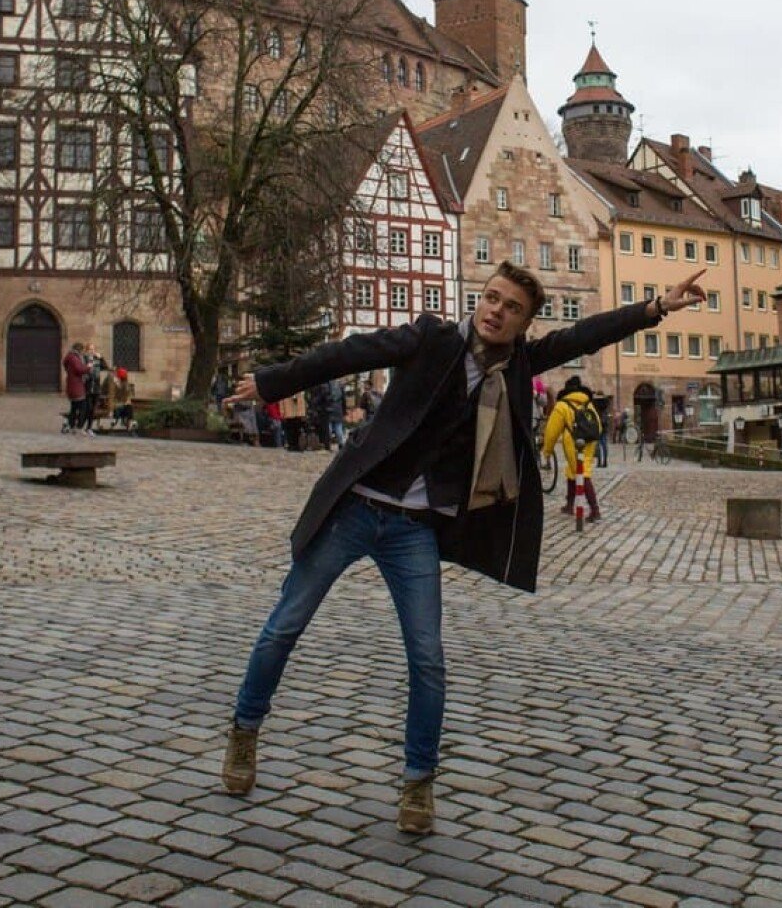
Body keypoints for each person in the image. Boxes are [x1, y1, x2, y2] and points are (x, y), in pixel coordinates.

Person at [221, 262, 706, 834]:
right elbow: (349, 354)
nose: (495, 311)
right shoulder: (433, 338)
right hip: (357, 507)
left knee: (427, 658)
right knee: (286, 624)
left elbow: (584, 335)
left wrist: (654, 309)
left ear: (524, 323)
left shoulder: (521, 363)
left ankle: (418, 783)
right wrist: (275, 381)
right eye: (491, 298)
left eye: (511, 307)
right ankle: (245, 731)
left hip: (414, 530)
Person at [542, 377, 605, 531]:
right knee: (572, 472)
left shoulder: (562, 405)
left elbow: (551, 431)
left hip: (574, 443)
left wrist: (547, 450)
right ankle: (570, 505)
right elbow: (598, 425)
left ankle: (595, 510)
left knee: (582, 474)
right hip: (590, 441)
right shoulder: (588, 402)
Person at [62, 342, 91, 434]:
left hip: (72, 385)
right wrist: (88, 367)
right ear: (79, 350)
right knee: (83, 407)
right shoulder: (74, 358)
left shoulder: (69, 357)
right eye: (82, 350)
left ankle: (72, 426)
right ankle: (79, 427)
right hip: (76, 386)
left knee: (74, 407)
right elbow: (80, 369)